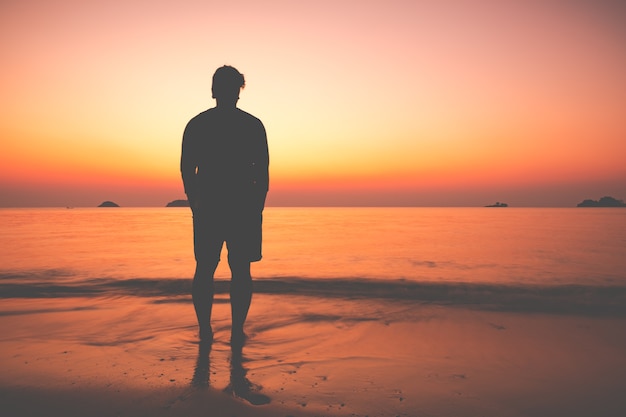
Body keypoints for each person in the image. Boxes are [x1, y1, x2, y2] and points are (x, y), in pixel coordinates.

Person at [180, 65, 269, 345]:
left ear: (214, 90)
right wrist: (257, 206)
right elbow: (262, 173)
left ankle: (208, 330)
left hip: (213, 205)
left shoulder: (198, 124)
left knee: (207, 268)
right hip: (240, 206)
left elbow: (186, 170)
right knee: (237, 269)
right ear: (238, 91)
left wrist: (196, 202)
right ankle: (233, 331)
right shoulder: (252, 125)